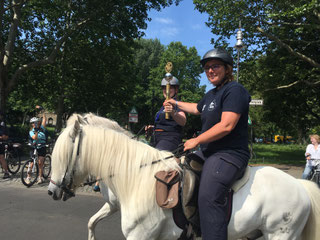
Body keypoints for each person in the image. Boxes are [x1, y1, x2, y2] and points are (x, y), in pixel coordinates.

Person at [165, 48, 251, 240]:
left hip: (229, 153)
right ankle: (188, 227)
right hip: (209, 151)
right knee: (175, 173)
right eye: (207, 68)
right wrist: (175, 103)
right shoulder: (211, 94)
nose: (210, 71)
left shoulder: (235, 90)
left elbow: (227, 125)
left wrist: (197, 140)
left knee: (208, 196)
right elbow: (196, 108)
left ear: (227, 69)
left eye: (215, 66)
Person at [146, 75, 186, 152]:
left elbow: (183, 121)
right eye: (164, 88)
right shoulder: (162, 106)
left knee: (157, 158)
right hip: (156, 137)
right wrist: (153, 127)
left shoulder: (177, 104)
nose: (166, 90)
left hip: (170, 138)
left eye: (170, 87)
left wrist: (172, 112)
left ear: (176, 90)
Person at [28, 106, 47, 184]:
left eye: (35, 122)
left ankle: (40, 177)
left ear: (38, 122)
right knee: (31, 162)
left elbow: (45, 119)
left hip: (42, 146)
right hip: (34, 146)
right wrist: (35, 131)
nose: (34, 124)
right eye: (32, 123)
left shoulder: (42, 128)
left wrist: (42, 110)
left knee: (40, 162)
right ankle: (28, 177)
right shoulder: (31, 131)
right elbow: (34, 138)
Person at [0, 112, 10, 179]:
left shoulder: (2, 126)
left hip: (1, 143)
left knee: (1, 157)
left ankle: (6, 172)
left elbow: (4, 137)